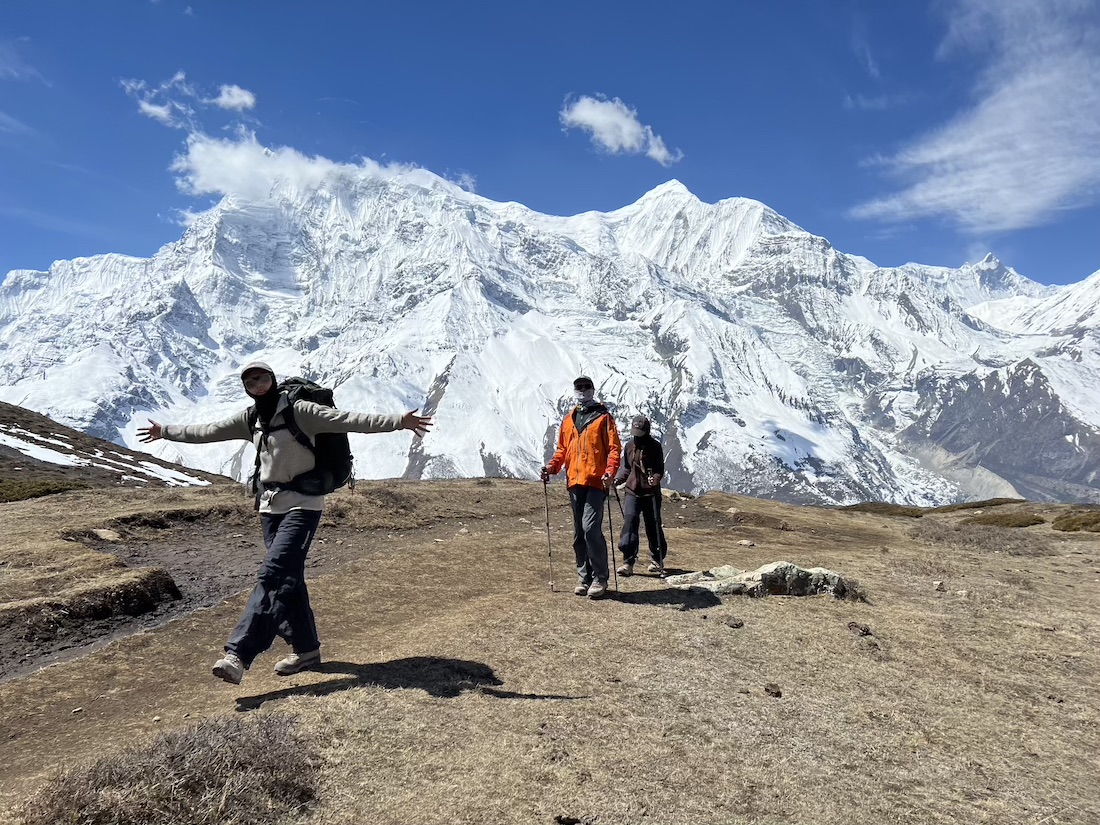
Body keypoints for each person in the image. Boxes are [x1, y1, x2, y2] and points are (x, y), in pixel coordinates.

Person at [138, 361, 432, 685]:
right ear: (246, 387)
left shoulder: (300, 411)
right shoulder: (250, 418)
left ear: (272, 380)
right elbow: (208, 431)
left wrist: (398, 422)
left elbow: (346, 420)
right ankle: (306, 651)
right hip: (270, 508)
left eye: (262, 378)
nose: (257, 384)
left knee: (273, 574)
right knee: (290, 579)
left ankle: (239, 654)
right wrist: (165, 431)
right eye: (250, 381)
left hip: (304, 505)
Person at [541, 376, 622, 599]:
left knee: (590, 528)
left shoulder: (604, 418)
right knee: (579, 533)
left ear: (593, 390)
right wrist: (551, 467)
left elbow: (614, 449)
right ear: (574, 390)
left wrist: (609, 472)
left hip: (596, 481)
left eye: (587, 387)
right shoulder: (569, 420)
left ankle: (600, 577)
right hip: (575, 482)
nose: (583, 390)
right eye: (579, 387)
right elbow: (562, 451)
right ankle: (584, 577)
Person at [614, 414, 669, 577]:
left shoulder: (655, 446)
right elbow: (626, 467)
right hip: (632, 491)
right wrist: (618, 478)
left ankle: (657, 559)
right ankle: (628, 562)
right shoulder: (629, 445)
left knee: (653, 525)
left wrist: (656, 479)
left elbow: (659, 469)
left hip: (650, 493)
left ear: (646, 431)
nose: (636, 435)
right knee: (629, 524)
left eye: (639, 432)